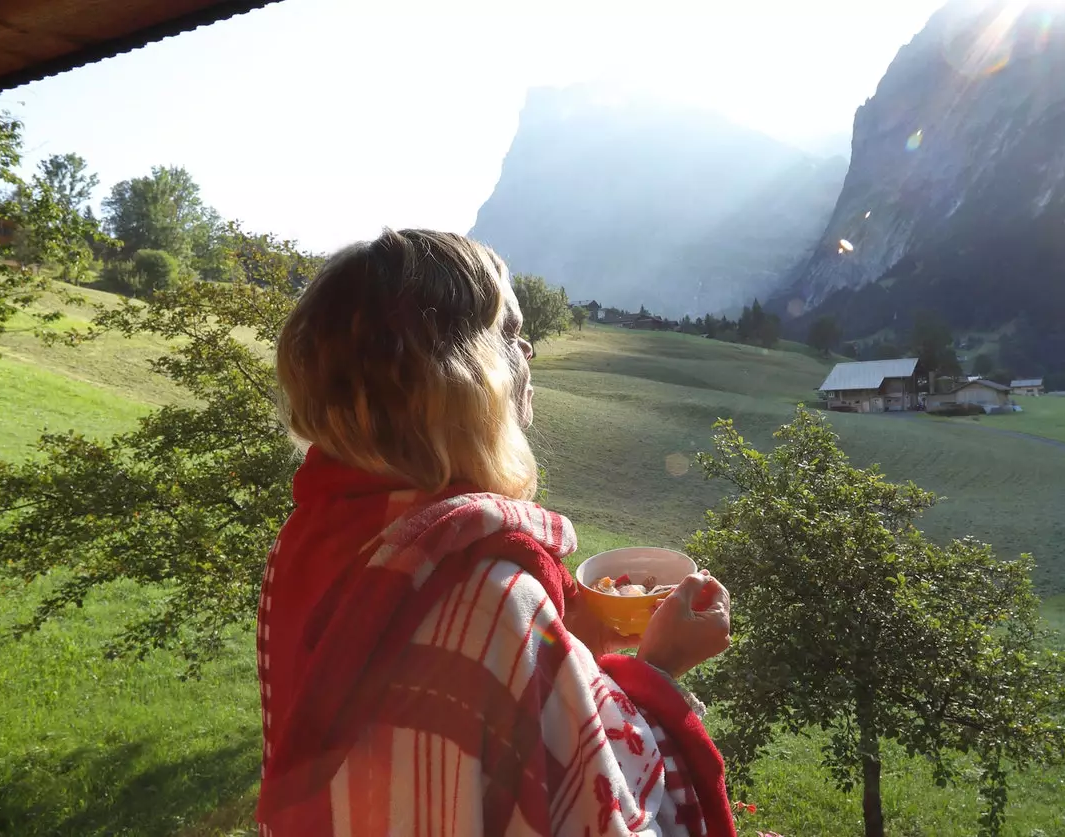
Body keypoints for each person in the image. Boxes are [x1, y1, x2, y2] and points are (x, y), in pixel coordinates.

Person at [255, 228, 736, 836]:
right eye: (508, 334)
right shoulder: (491, 595)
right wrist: (660, 668)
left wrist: (568, 647)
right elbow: (608, 814)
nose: (528, 351)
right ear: (460, 378)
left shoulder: (306, 545)